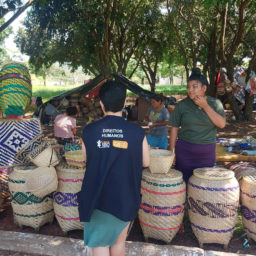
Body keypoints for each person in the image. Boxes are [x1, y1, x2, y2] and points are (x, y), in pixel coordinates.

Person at [78, 80, 150, 256]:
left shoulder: (89, 131)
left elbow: (85, 159)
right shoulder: (137, 132)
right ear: (125, 103)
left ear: (101, 104)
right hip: (125, 197)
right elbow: (146, 162)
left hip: (97, 198)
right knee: (118, 243)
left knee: (100, 244)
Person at [169, 68, 226, 182]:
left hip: (206, 153)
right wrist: (172, 152)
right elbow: (174, 129)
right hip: (184, 152)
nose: (190, 90)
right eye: (188, 87)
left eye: (194, 86)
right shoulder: (182, 105)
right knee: (183, 183)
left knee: (203, 185)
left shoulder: (215, 103)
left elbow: (222, 124)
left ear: (204, 88)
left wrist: (205, 106)